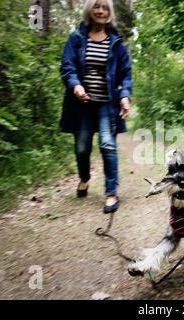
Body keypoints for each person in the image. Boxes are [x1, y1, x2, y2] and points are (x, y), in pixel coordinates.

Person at [60, 0, 132, 213]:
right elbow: (67, 66)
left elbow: (126, 74)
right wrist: (75, 86)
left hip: (106, 105)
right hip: (82, 104)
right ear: (89, 10)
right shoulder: (76, 39)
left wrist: (125, 95)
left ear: (109, 13)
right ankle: (84, 178)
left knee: (107, 145)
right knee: (82, 149)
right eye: (96, 6)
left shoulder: (116, 43)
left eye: (105, 7)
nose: (100, 11)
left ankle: (111, 192)